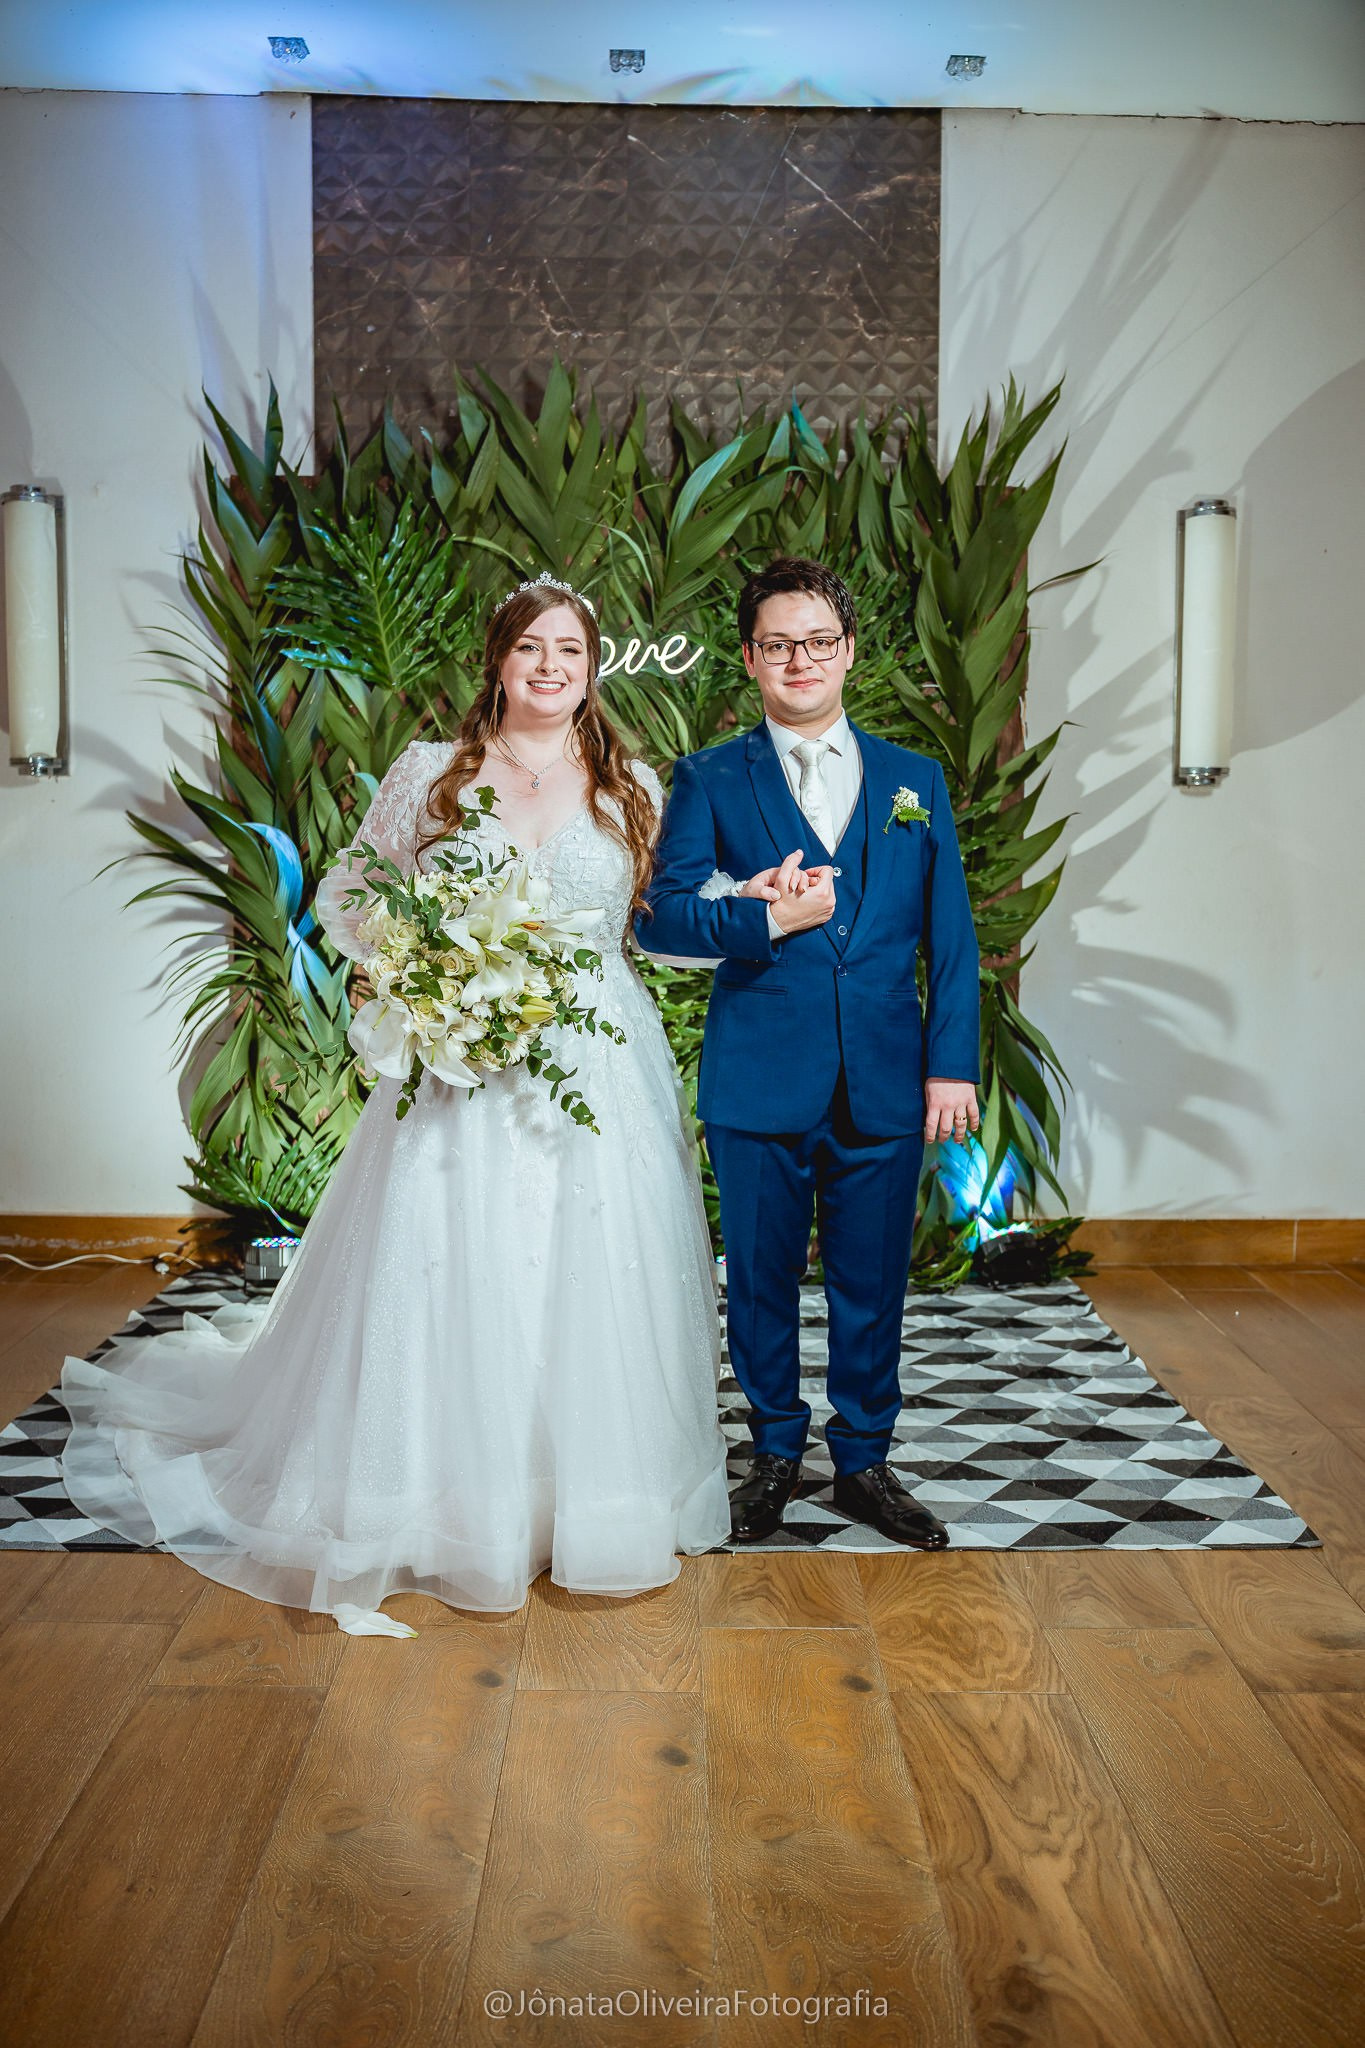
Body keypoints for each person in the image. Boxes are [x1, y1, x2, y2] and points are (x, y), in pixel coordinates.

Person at [60, 573, 731, 1632]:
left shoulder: (631, 784)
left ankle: (592, 1500)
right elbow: (349, 891)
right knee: (449, 1257)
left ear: (592, 668)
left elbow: (659, 921)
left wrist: (754, 903)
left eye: (569, 649)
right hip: (460, 1056)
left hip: (596, 1060)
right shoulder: (432, 771)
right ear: (498, 661)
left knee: (594, 1265)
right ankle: (447, 1501)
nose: (549, 666)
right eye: (530, 647)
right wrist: (421, 967)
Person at [637, 556, 981, 1549]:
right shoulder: (709, 777)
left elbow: (950, 937)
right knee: (759, 1278)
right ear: (750, 658)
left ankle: (865, 1461)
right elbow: (664, 918)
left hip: (885, 1072)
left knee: (873, 1281)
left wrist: (949, 1064)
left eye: (818, 640)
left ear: (848, 651)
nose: (800, 659)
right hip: (759, 1076)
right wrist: (762, 917)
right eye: (778, 643)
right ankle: (774, 1453)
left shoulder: (914, 780)